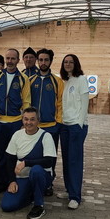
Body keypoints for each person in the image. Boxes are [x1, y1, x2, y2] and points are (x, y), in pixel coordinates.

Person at [0, 48, 31, 193]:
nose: (10, 61)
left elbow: (26, 101)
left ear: (18, 60)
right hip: (0, 122)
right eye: (8, 58)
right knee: (0, 154)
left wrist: (24, 122)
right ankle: (0, 183)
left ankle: (13, 181)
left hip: (16, 122)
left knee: (14, 154)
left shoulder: (23, 78)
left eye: (13, 59)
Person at [1, 107, 56, 219]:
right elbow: (10, 160)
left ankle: (38, 205)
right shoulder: (17, 135)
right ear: (22, 120)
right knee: (7, 206)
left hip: (42, 176)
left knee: (36, 170)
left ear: (38, 121)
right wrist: (12, 181)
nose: (28, 122)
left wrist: (26, 163)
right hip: (22, 177)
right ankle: (30, 194)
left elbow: (49, 161)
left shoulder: (46, 136)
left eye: (32, 119)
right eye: (26, 119)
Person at [29, 48, 64, 195]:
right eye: (41, 60)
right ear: (37, 61)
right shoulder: (30, 81)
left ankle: (48, 183)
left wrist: (58, 123)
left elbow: (60, 103)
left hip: (51, 126)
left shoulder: (57, 81)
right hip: (33, 126)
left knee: (49, 157)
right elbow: (26, 102)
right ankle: (33, 181)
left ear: (51, 61)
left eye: (46, 60)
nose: (43, 63)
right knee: (33, 155)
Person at [59, 54, 89, 210]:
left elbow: (85, 103)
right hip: (65, 125)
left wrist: (79, 124)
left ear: (76, 64)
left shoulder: (81, 80)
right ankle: (68, 189)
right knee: (66, 159)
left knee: (74, 161)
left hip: (76, 126)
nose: (68, 64)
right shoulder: (66, 81)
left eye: (71, 62)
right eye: (65, 62)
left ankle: (75, 196)